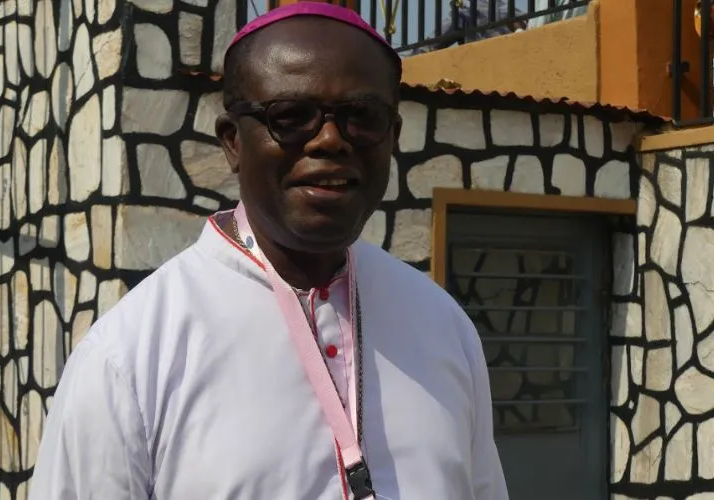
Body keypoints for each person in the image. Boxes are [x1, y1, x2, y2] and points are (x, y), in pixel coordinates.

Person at [28, 3, 508, 499]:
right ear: (233, 142)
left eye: (362, 117)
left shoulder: (442, 325)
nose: (329, 140)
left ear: (393, 138)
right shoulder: (128, 357)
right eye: (291, 116)